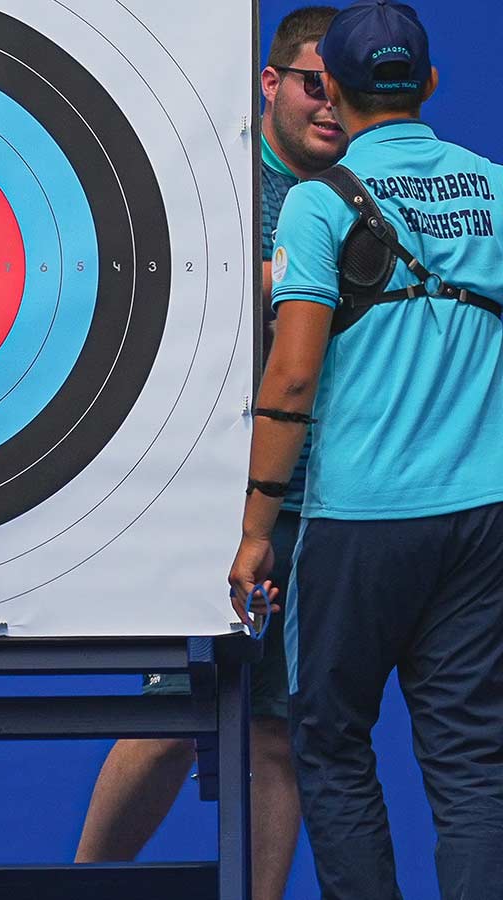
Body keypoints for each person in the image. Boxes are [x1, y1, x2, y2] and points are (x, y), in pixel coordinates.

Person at [229, 1, 503, 897]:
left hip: (359, 524)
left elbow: (293, 378)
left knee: (331, 741)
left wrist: (255, 529)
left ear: (336, 94)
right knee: (470, 760)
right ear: (427, 84)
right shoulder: (495, 189)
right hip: (483, 518)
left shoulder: (317, 202)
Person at [76, 9, 347, 899]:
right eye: (313, 84)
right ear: (269, 83)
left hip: (323, 498)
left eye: (345, 91)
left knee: (278, 727)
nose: (330, 108)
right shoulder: (221, 185)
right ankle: (89, 884)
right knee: (169, 713)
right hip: (210, 498)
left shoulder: (358, 190)